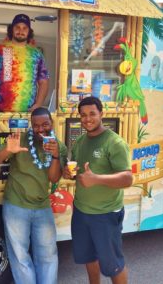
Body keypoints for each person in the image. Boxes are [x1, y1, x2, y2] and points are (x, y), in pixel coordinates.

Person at [0, 107, 67, 284]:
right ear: (31, 126)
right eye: (36, 125)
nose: (41, 129)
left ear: (51, 123)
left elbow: (54, 177)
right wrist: (9, 150)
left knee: (48, 255)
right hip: (16, 205)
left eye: (45, 124)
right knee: (19, 255)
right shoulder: (20, 139)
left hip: (42, 206)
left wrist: (55, 156)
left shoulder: (59, 146)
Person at [63, 96, 133, 284]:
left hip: (106, 214)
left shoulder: (114, 142)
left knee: (113, 265)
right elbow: (78, 170)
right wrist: (69, 173)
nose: (87, 119)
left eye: (92, 113)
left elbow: (127, 178)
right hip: (81, 211)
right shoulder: (80, 141)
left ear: (101, 114)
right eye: (83, 115)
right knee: (89, 258)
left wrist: (96, 179)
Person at [0, 13, 49, 112]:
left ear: (29, 31)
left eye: (25, 28)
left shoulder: (36, 55)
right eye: (17, 27)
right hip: (0, 111)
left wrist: (38, 104)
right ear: (12, 29)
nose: (21, 31)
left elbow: (43, 81)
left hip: (28, 113)